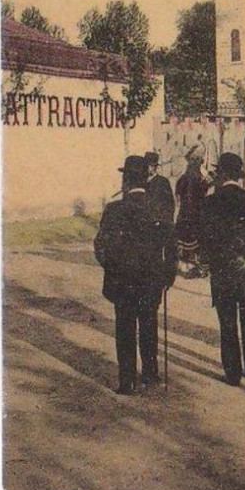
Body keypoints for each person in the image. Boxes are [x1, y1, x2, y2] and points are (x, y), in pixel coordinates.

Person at [94, 155, 178, 394]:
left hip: (122, 281)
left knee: (125, 328)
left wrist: (112, 268)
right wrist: (167, 277)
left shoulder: (113, 210)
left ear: (126, 181)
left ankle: (127, 380)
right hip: (151, 280)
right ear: (145, 179)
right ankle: (150, 373)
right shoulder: (159, 209)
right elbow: (171, 248)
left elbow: (100, 247)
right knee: (149, 324)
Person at [199, 152, 245, 386]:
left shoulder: (210, 202)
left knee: (227, 321)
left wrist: (213, 259)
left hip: (222, 271)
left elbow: (205, 239)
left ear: (221, 174)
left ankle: (232, 372)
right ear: (240, 175)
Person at [175, 149, 210, 277]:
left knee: (184, 238)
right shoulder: (199, 179)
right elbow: (204, 194)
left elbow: (178, 197)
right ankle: (194, 266)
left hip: (184, 213)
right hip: (196, 214)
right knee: (194, 239)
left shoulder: (182, 179)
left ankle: (184, 266)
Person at [144, 151, 175, 224]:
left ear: (155, 167)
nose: (147, 168)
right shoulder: (143, 182)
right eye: (146, 166)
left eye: (150, 166)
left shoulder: (163, 182)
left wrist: (161, 220)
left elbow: (169, 205)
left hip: (159, 224)